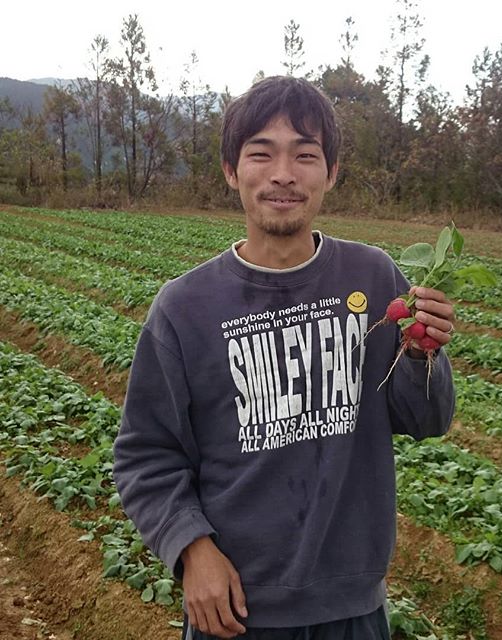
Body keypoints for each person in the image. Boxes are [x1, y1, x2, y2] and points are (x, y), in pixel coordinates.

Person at [113, 75, 456, 640]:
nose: (283, 174)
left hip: (352, 608)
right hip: (235, 611)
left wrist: (423, 355)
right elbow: (146, 455)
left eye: (305, 155)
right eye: (261, 154)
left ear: (331, 172)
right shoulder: (184, 309)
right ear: (231, 170)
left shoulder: (373, 277)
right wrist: (191, 550)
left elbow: (426, 420)